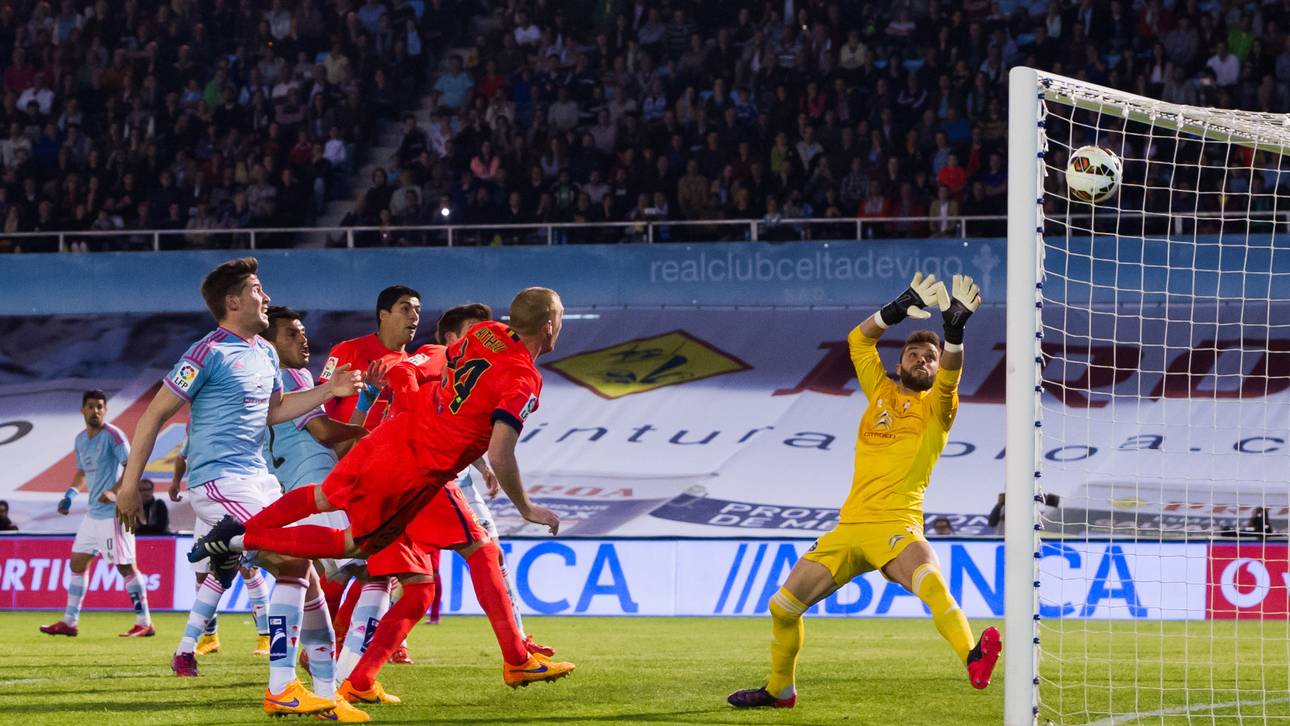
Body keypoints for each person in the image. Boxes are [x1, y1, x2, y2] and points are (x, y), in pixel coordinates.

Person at [190, 288, 575, 711]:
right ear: (550, 326)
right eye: (406, 309)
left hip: (386, 442)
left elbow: (426, 366)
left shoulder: (483, 333)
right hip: (415, 469)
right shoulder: (522, 378)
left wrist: (400, 385)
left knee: (387, 561)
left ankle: (357, 675)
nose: (413, 317)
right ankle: (238, 543)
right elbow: (501, 449)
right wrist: (527, 508)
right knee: (359, 547)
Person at [728, 273, 1001, 709]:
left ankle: (973, 656)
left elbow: (949, 377)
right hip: (849, 528)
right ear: (899, 364)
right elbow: (859, 340)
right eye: (913, 354)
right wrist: (900, 305)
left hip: (896, 524)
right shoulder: (880, 392)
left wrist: (954, 333)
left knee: (931, 582)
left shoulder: (938, 410)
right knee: (782, 607)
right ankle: (780, 690)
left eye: (929, 357)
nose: (922, 361)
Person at [114, 257, 366, 721]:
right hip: (219, 480)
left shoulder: (264, 352)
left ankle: (328, 695)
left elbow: (273, 410)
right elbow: (153, 415)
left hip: (260, 479)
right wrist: (130, 486)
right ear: (233, 302)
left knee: (307, 574)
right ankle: (282, 687)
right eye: (256, 290)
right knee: (292, 558)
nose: (265, 297)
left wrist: (328, 390)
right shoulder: (206, 352)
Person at [384, 302, 554, 657]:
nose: (488, 332)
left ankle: (518, 643)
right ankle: (350, 648)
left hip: (451, 474)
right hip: (421, 465)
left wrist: (481, 468)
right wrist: (412, 414)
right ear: (451, 337)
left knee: (487, 554)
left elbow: (462, 413)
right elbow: (401, 372)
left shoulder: (484, 347)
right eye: (475, 326)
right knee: (372, 562)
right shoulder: (436, 354)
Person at [261, 305, 377, 686]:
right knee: (376, 568)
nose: (302, 338)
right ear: (269, 344)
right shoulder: (291, 376)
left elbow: (332, 443)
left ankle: (316, 664)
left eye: (302, 331)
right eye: (291, 334)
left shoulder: (274, 380)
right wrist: (370, 432)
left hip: (303, 490)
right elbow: (326, 434)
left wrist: (363, 407)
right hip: (312, 491)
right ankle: (336, 669)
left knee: (313, 578)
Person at [316, 284, 422, 664]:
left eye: (417, 310)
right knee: (340, 568)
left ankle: (350, 645)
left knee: (379, 568)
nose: (414, 316)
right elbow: (320, 404)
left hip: (390, 479)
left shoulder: (415, 366)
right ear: (383, 314)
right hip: (343, 472)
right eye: (405, 308)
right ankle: (323, 645)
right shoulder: (349, 351)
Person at [40, 390, 154, 638]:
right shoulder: (81, 439)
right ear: (83, 410)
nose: (96, 411)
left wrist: (115, 491)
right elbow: (81, 471)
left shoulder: (113, 436)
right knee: (77, 563)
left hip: (114, 514)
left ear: (105, 410)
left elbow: (132, 463)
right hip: (93, 514)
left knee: (126, 568)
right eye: (91, 407)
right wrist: (70, 494)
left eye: (100, 407)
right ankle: (70, 622)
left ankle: (144, 622)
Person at [171, 434, 272, 658]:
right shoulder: (199, 428)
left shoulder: (243, 424)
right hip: (208, 504)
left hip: (239, 496)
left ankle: (266, 637)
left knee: (248, 567)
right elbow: (181, 456)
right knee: (202, 574)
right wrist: (175, 482)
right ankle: (210, 637)